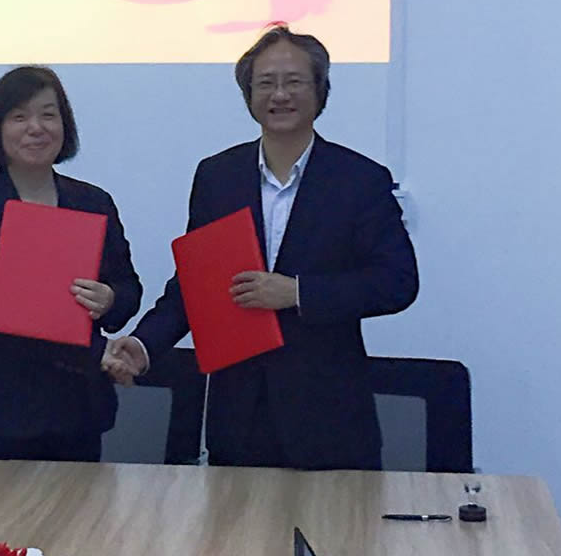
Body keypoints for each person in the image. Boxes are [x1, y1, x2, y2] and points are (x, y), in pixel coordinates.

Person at [103, 27, 418, 469]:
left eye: (294, 81)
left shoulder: (359, 179)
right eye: (266, 83)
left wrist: (298, 292)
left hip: (330, 419)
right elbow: (195, 285)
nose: (280, 94)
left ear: (320, 91)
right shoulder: (218, 177)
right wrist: (144, 344)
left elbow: (397, 282)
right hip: (239, 417)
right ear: (248, 94)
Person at [0, 66, 142, 462]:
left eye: (48, 115)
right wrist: (93, 352)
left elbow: (128, 288)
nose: (36, 128)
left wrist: (110, 298)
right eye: (19, 116)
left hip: (77, 411)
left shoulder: (93, 203)